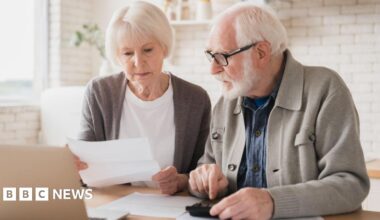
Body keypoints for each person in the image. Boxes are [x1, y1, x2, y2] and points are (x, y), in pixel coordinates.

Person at [188, 2, 370, 219]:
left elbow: (351, 186)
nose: (213, 69)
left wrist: (273, 202)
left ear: (261, 52)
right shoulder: (225, 103)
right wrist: (202, 181)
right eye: (211, 56)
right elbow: (206, 169)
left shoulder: (325, 89)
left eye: (222, 57)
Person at [73, 1, 211, 195]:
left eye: (147, 50)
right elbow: (83, 166)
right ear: (117, 56)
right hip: (114, 203)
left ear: (164, 47)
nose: (138, 62)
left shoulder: (196, 99)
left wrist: (180, 181)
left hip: (171, 206)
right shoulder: (99, 93)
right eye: (127, 53)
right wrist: (72, 165)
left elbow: (205, 169)